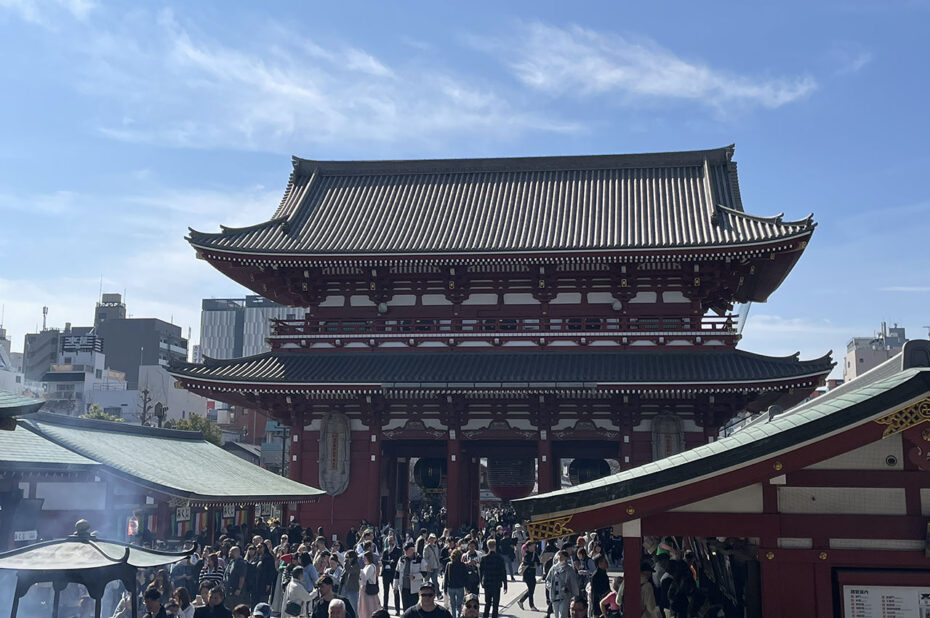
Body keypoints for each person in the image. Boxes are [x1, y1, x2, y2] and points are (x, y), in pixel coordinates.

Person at [477, 539, 507, 618]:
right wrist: (505, 584)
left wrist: (481, 582)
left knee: (487, 603)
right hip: (496, 583)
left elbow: (480, 571)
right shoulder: (500, 558)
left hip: (487, 583)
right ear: (495, 546)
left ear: (487, 546)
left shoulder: (484, 558)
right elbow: (503, 572)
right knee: (495, 605)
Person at [545, 551, 578, 618]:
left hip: (564, 596)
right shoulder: (553, 568)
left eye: (561, 556)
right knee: (556, 615)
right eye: (558, 556)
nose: (559, 557)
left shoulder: (569, 569)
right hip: (554, 596)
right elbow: (547, 580)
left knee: (562, 615)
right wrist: (550, 587)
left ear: (565, 557)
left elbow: (573, 583)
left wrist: (575, 595)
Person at [395, 542, 424, 611]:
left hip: (414, 589)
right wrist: (395, 586)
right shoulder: (401, 559)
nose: (405, 553)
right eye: (404, 551)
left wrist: (414, 576)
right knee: (405, 609)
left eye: (406, 551)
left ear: (412, 550)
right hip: (404, 588)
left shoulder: (419, 559)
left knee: (413, 609)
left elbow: (424, 573)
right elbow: (397, 573)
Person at [381, 534, 403, 615]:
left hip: (394, 574)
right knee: (385, 592)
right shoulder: (385, 551)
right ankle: (385, 608)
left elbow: (399, 560)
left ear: (394, 541)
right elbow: (382, 560)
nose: (391, 542)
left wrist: (392, 562)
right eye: (389, 541)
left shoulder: (398, 550)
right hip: (386, 574)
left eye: (392, 540)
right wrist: (388, 562)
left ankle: (397, 610)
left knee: (396, 592)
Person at [516, 541, 541, 611]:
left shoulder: (534, 553)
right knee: (531, 589)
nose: (534, 547)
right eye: (533, 546)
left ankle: (521, 601)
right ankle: (531, 605)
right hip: (527, 574)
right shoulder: (526, 554)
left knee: (531, 590)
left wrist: (535, 564)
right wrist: (533, 564)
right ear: (529, 546)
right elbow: (527, 562)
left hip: (533, 574)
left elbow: (538, 562)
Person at [443, 549, 467, 618]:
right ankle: (458, 615)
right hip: (460, 586)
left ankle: (453, 616)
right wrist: (466, 586)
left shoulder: (449, 564)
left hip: (451, 587)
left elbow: (446, 577)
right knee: (459, 604)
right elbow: (465, 576)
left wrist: (445, 588)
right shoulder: (462, 565)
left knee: (452, 604)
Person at [358, 551, 383, 618]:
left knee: (370, 606)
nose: (363, 559)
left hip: (368, 589)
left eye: (364, 558)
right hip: (363, 588)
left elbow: (365, 577)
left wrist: (360, 571)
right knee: (364, 607)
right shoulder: (366, 566)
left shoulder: (371, 567)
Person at [422, 535, 442, 599]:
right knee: (426, 582)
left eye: (433, 538)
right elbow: (425, 558)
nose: (432, 540)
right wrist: (427, 565)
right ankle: (424, 594)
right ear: (429, 539)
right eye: (431, 538)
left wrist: (439, 565)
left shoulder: (436, 547)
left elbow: (437, 557)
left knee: (435, 581)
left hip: (435, 566)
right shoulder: (426, 547)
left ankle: (438, 594)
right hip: (428, 567)